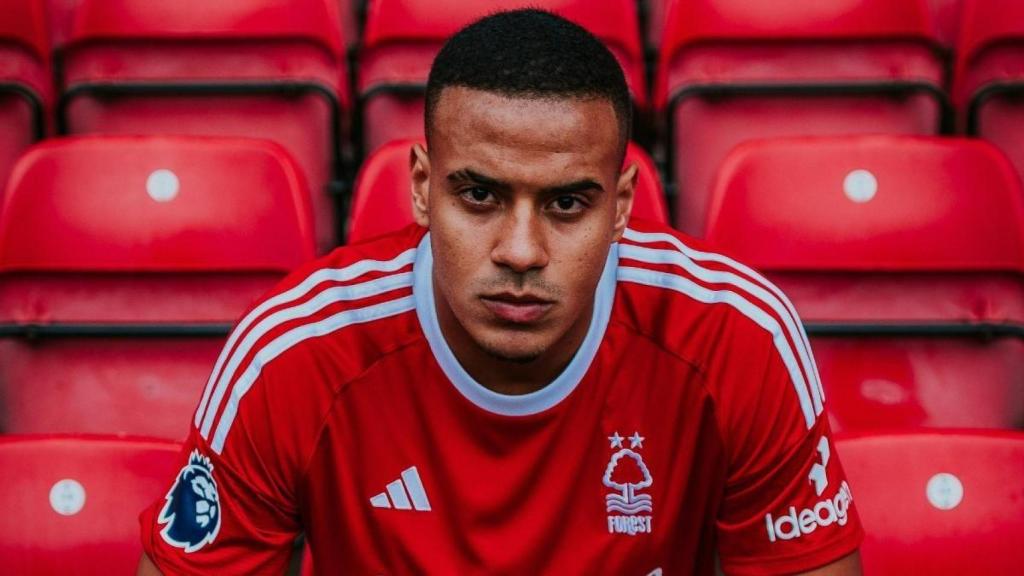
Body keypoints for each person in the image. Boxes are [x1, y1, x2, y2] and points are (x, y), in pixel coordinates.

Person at [138, 9, 863, 575]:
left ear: (622, 205)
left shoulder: (737, 338)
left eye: (568, 204)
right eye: (479, 195)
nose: (521, 251)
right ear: (423, 189)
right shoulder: (292, 354)